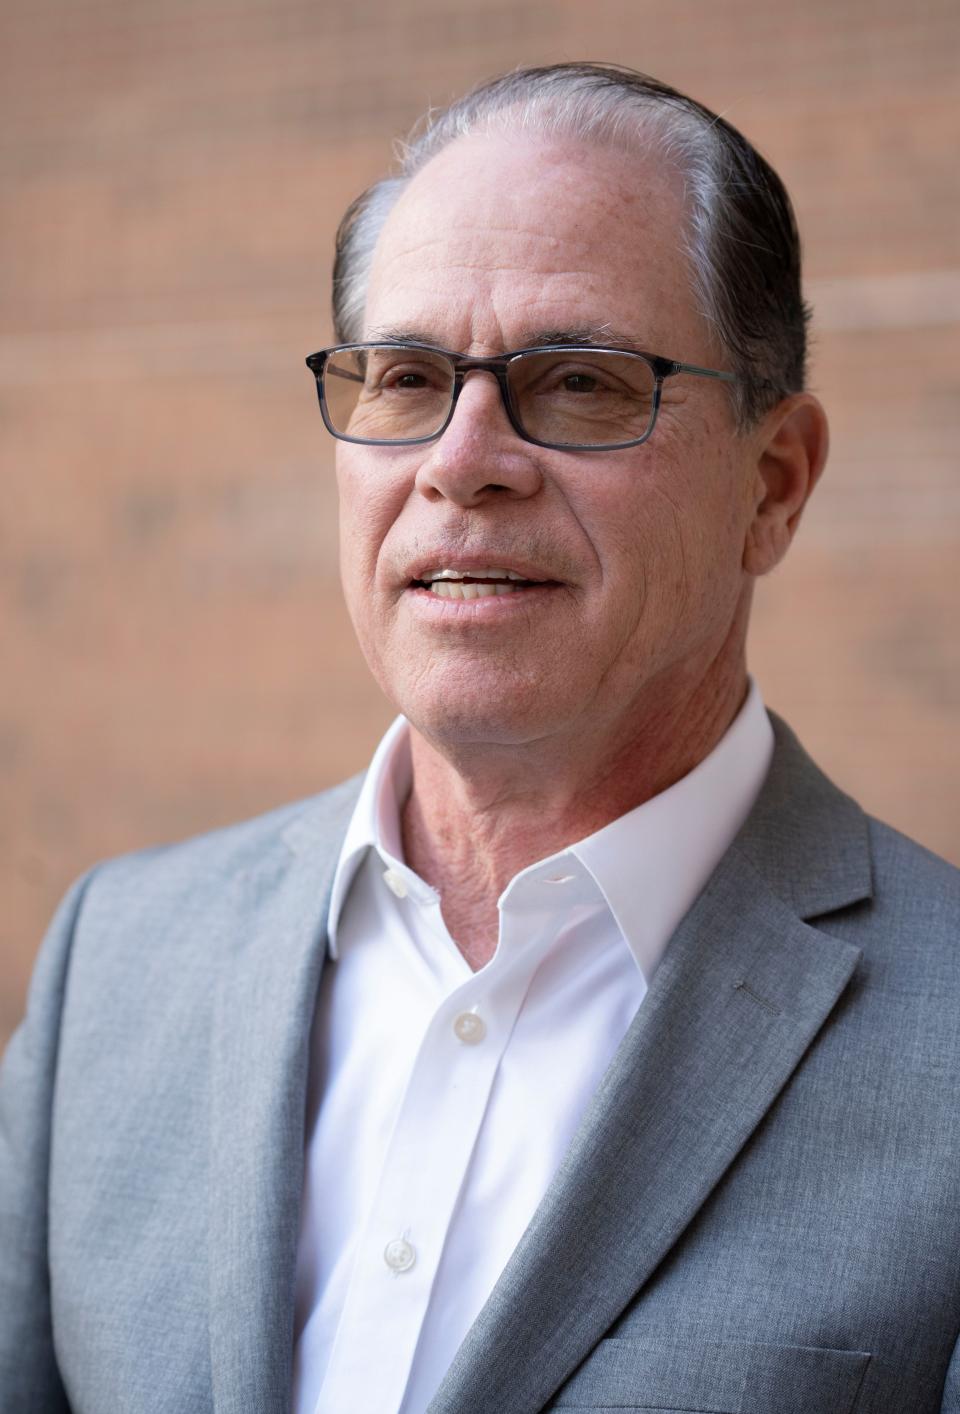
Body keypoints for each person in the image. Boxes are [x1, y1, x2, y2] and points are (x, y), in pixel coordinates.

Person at [1, 60, 958, 1414]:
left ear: (774, 483)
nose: (464, 458)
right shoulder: (117, 966)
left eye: (576, 381)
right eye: (405, 375)